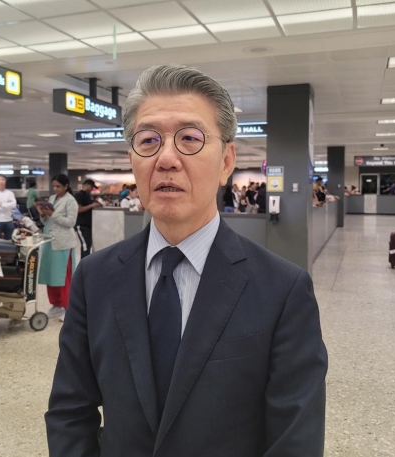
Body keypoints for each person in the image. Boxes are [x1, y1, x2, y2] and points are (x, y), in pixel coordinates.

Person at [46, 64, 327, 457]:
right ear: (133, 159)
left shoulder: (282, 290)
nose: (166, 159)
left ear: (227, 161)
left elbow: (294, 441)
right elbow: (69, 411)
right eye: (148, 140)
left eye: (190, 138)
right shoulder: (95, 278)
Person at [37, 174, 78, 322]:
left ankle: (69, 308)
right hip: (49, 241)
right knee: (50, 274)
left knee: (63, 277)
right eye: (53, 186)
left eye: (58, 186)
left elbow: (71, 222)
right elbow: (47, 219)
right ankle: (56, 304)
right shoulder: (53, 199)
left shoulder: (70, 201)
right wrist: (43, 214)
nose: (55, 189)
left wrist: (52, 214)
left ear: (66, 186)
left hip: (63, 243)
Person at [74, 178, 102, 258]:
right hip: (81, 224)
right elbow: (78, 209)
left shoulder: (87, 196)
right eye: (92, 187)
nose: (92, 189)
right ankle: (83, 264)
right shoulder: (78, 195)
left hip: (88, 225)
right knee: (85, 245)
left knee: (88, 244)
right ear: (87, 185)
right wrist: (91, 205)